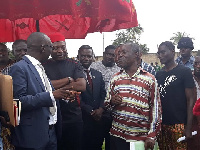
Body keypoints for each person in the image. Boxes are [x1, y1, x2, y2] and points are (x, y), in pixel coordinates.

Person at [8, 32, 70, 150]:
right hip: (32, 137)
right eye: (51, 47)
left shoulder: (39, 67)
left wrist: (61, 94)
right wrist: (51, 95)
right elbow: (18, 101)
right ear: (43, 48)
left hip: (50, 132)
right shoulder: (19, 68)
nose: (52, 51)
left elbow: (45, 93)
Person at [104, 42, 162, 150]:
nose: (119, 55)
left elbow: (155, 109)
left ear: (136, 54)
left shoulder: (149, 79)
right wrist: (112, 101)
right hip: (117, 136)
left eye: (124, 52)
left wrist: (152, 135)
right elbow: (106, 105)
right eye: (119, 53)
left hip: (140, 138)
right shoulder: (115, 78)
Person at [43, 32, 86, 150]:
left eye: (63, 47)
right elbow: (44, 86)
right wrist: (68, 80)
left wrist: (58, 88)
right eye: (55, 48)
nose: (60, 51)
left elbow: (82, 85)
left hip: (73, 116)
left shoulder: (74, 64)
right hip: (52, 117)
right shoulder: (43, 66)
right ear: (50, 48)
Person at [156, 41, 195, 150]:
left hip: (179, 125)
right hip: (162, 124)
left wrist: (188, 127)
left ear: (172, 52)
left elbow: (190, 100)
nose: (160, 56)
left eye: (163, 52)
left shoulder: (184, 71)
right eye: (158, 53)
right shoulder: (159, 74)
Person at [90, 45, 120, 150]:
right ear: (104, 54)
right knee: (95, 141)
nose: (110, 57)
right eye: (108, 54)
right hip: (97, 111)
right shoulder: (94, 67)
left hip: (114, 112)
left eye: (113, 55)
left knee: (111, 143)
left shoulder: (119, 69)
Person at [78, 45, 106, 150]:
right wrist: (91, 111)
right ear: (78, 57)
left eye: (89, 56)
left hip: (99, 119)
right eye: (83, 56)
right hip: (83, 119)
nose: (86, 58)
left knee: (97, 145)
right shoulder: (74, 74)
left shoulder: (98, 74)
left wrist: (101, 109)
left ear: (93, 57)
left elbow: (104, 94)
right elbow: (77, 96)